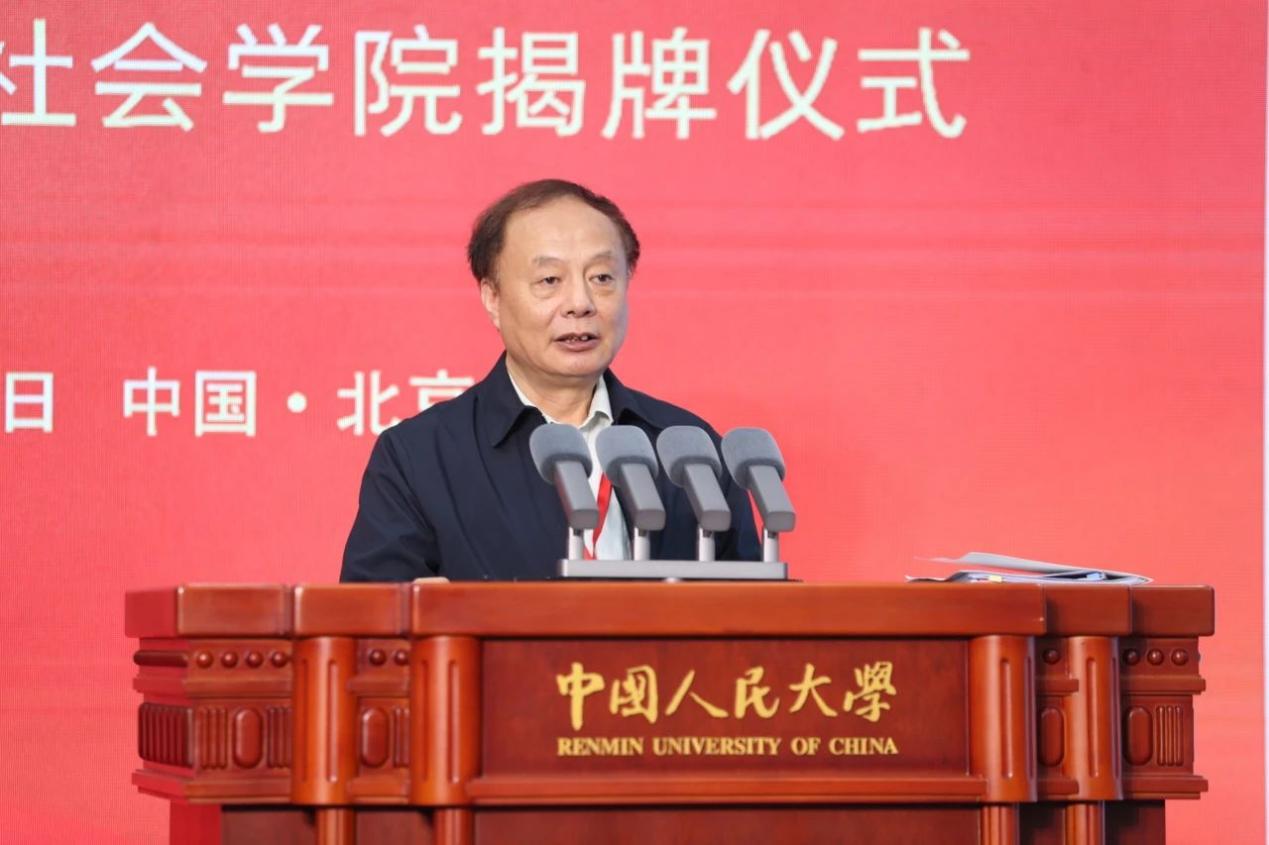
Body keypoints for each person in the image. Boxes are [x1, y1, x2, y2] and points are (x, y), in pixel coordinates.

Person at [340, 179, 758, 582]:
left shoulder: (689, 450)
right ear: (492, 298)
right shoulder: (419, 458)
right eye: (549, 281)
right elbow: (372, 621)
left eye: (602, 278)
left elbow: (753, 614)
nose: (580, 303)